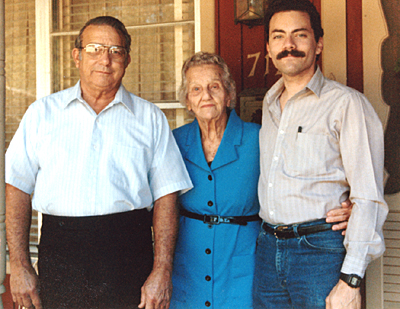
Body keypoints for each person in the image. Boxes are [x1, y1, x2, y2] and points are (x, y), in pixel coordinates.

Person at [5, 16, 192, 309]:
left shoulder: (150, 118)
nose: (105, 59)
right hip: (61, 254)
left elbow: (167, 197)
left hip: (129, 254)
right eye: (94, 48)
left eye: (115, 51)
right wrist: (18, 264)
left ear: (127, 59)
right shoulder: (42, 114)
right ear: (76, 56)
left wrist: (162, 270)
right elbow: (17, 186)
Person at [169, 52, 353, 309]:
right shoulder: (173, 142)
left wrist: (351, 205)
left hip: (244, 266)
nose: (206, 96)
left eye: (214, 86)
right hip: (188, 265)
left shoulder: (260, 138)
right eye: (196, 89)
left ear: (229, 94)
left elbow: (304, 177)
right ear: (187, 101)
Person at [253, 1, 389, 309]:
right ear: (269, 48)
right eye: (278, 36)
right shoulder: (270, 104)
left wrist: (351, 280)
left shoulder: (346, 104)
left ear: (319, 44)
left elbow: (368, 196)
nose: (288, 45)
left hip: (319, 252)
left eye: (300, 35)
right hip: (267, 250)